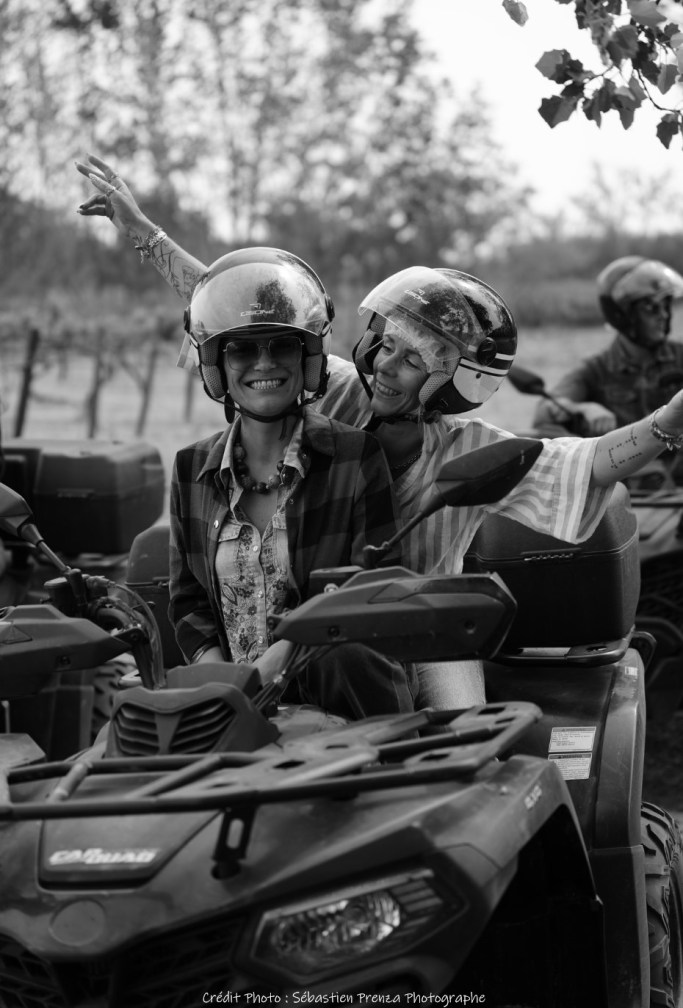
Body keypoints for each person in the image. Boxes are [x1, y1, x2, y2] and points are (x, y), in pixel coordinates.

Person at [75, 157, 683, 710]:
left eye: (413, 360)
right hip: (300, 634)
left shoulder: (469, 449)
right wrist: (144, 235)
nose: (387, 366)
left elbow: (593, 461)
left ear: (455, 382)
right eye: (386, 344)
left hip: (419, 635)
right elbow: (246, 314)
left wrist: (669, 420)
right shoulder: (336, 392)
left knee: (465, 740)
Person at [164, 247, 417, 721]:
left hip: (346, 709)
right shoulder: (189, 468)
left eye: (281, 345)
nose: (264, 363)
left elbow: (367, 590)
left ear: (308, 358)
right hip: (235, 715)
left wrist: (272, 670)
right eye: (242, 348)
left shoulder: (355, 457)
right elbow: (188, 601)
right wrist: (224, 684)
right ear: (217, 362)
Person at [532, 256, 683, 444]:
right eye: (651, 308)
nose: (663, 315)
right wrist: (583, 409)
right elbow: (545, 410)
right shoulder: (596, 371)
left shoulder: (680, 356)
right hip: (629, 470)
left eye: (666, 306)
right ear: (623, 315)